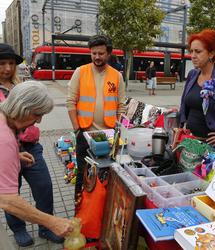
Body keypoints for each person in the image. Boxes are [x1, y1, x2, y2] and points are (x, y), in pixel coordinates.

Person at [0, 43, 65, 247]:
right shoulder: (6, 138)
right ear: (21, 108)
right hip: (12, 148)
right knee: (12, 192)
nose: (38, 122)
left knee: (43, 186)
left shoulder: (7, 121)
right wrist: (53, 221)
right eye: (37, 115)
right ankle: (19, 229)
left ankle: (44, 230)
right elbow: (8, 199)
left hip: (25, 149)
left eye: (11, 63)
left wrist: (16, 155)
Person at [67, 35, 126, 199]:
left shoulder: (117, 76)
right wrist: (77, 129)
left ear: (108, 54)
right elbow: (70, 102)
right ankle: (79, 209)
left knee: (106, 173)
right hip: (84, 134)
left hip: (108, 135)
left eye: (100, 53)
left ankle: (100, 207)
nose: (97, 57)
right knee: (83, 173)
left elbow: (121, 105)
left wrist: (118, 130)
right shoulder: (80, 72)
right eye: (93, 53)